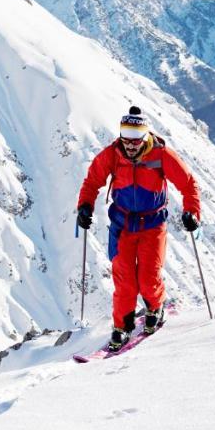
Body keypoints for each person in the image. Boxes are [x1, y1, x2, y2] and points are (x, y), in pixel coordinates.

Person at [75, 105, 201, 351]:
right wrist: (84, 207)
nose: (131, 145)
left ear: (145, 136)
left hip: (152, 224)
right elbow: (92, 181)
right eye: (126, 137)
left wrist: (191, 212)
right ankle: (122, 326)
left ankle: (156, 307)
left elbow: (188, 183)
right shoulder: (112, 154)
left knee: (148, 275)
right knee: (124, 278)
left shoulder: (161, 155)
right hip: (122, 225)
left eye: (136, 139)